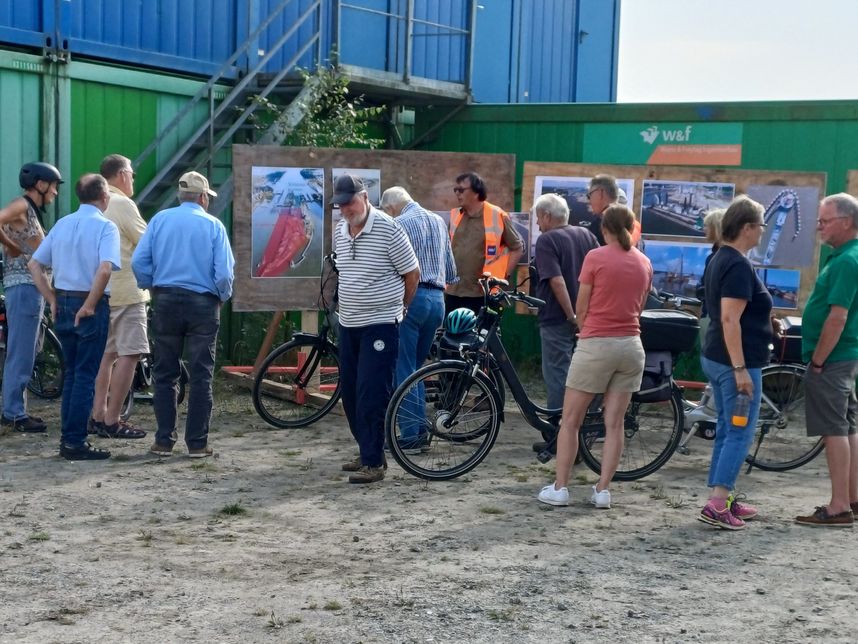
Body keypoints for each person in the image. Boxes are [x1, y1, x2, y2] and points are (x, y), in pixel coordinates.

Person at [537, 205, 652, 509]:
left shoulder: (596, 258)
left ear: (605, 229)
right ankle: (602, 491)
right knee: (614, 424)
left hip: (597, 344)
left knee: (570, 420)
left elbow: (582, 305)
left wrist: (584, 329)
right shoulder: (644, 262)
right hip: (631, 345)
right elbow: (640, 306)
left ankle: (560, 487)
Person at [132, 171, 234, 459]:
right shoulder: (213, 225)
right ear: (203, 197)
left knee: (165, 373)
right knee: (201, 375)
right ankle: (198, 444)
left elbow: (140, 262)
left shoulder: (160, 220)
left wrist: (151, 286)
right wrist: (221, 297)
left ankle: (163, 440)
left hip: (165, 299)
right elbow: (224, 273)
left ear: (181, 196)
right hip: (203, 303)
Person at [332, 175, 419, 483]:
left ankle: (374, 463)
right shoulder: (341, 231)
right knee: (351, 394)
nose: (345, 209)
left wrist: (401, 309)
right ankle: (368, 450)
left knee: (371, 392)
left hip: (380, 323)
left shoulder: (388, 229)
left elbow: (412, 273)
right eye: (340, 205)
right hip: (349, 323)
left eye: (349, 202)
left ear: (365, 196)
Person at [28, 174, 120, 460]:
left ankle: (69, 438)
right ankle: (75, 442)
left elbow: (34, 264)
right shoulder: (106, 227)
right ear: (104, 197)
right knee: (84, 375)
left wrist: (52, 299)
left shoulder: (62, 224)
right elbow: (105, 269)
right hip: (89, 303)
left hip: (64, 300)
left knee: (71, 374)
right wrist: (91, 305)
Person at [697, 196, 773, 530]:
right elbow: (730, 319)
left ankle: (722, 496)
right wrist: (741, 369)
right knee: (739, 432)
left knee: (729, 429)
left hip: (717, 356)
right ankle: (717, 502)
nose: (763, 232)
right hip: (735, 364)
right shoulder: (738, 264)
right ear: (747, 227)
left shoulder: (720, 256)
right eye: (761, 225)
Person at [795, 193, 858, 528]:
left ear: (846, 222)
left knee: (834, 430)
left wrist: (818, 360)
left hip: (833, 358)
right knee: (846, 427)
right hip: (844, 357)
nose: (819, 226)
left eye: (824, 220)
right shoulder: (844, 257)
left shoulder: (848, 260)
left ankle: (839, 507)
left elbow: (838, 316)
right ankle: (851, 498)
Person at [380, 186, 456, 453]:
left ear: (390, 208)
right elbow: (451, 270)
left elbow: (392, 267)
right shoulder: (438, 221)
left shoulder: (397, 223)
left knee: (404, 371)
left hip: (412, 299)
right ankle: (420, 430)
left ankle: (411, 436)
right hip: (437, 301)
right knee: (418, 370)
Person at [89, 154, 149, 440]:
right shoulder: (123, 203)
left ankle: (97, 415)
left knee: (107, 355)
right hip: (127, 289)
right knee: (131, 353)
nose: (134, 179)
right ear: (122, 174)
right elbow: (147, 242)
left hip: (102, 290)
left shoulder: (95, 204)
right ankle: (114, 420)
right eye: (132, 173)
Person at [0, 162, 62, 433]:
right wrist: (12, 246)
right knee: (21, 352)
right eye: (54, 187)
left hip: (33, 289)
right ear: (40, 184)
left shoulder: (33, 212)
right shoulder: (21, 205)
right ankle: (13, 413)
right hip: (23, 287)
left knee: (28, 351)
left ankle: (17, 410)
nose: (55, 193)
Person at [532, 193, 599, 411]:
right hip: (588, 318)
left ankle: (558, 434)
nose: (537, 224)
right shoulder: (587, 235)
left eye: (538, 218)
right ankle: (585, 426)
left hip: (557, 317)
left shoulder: (546, 240)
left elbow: (556, 280)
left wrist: (572, 315)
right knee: (586, 374)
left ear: (547, 216)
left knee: (558, 375)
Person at [446, 171, 522, 315]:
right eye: (455, 190)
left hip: (483, 293)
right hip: (453, 291)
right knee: (451, 334)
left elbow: (517, 248)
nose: (457, 193)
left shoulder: (497, 215)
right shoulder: (456, 215)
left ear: (476, 192)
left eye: (461, 190)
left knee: (480, 336)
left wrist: (503, 276)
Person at [574, 175, 642, 247]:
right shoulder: (634, 223)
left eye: (589, 195)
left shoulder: (600, 224)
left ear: (600, 193)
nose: (589, 200)